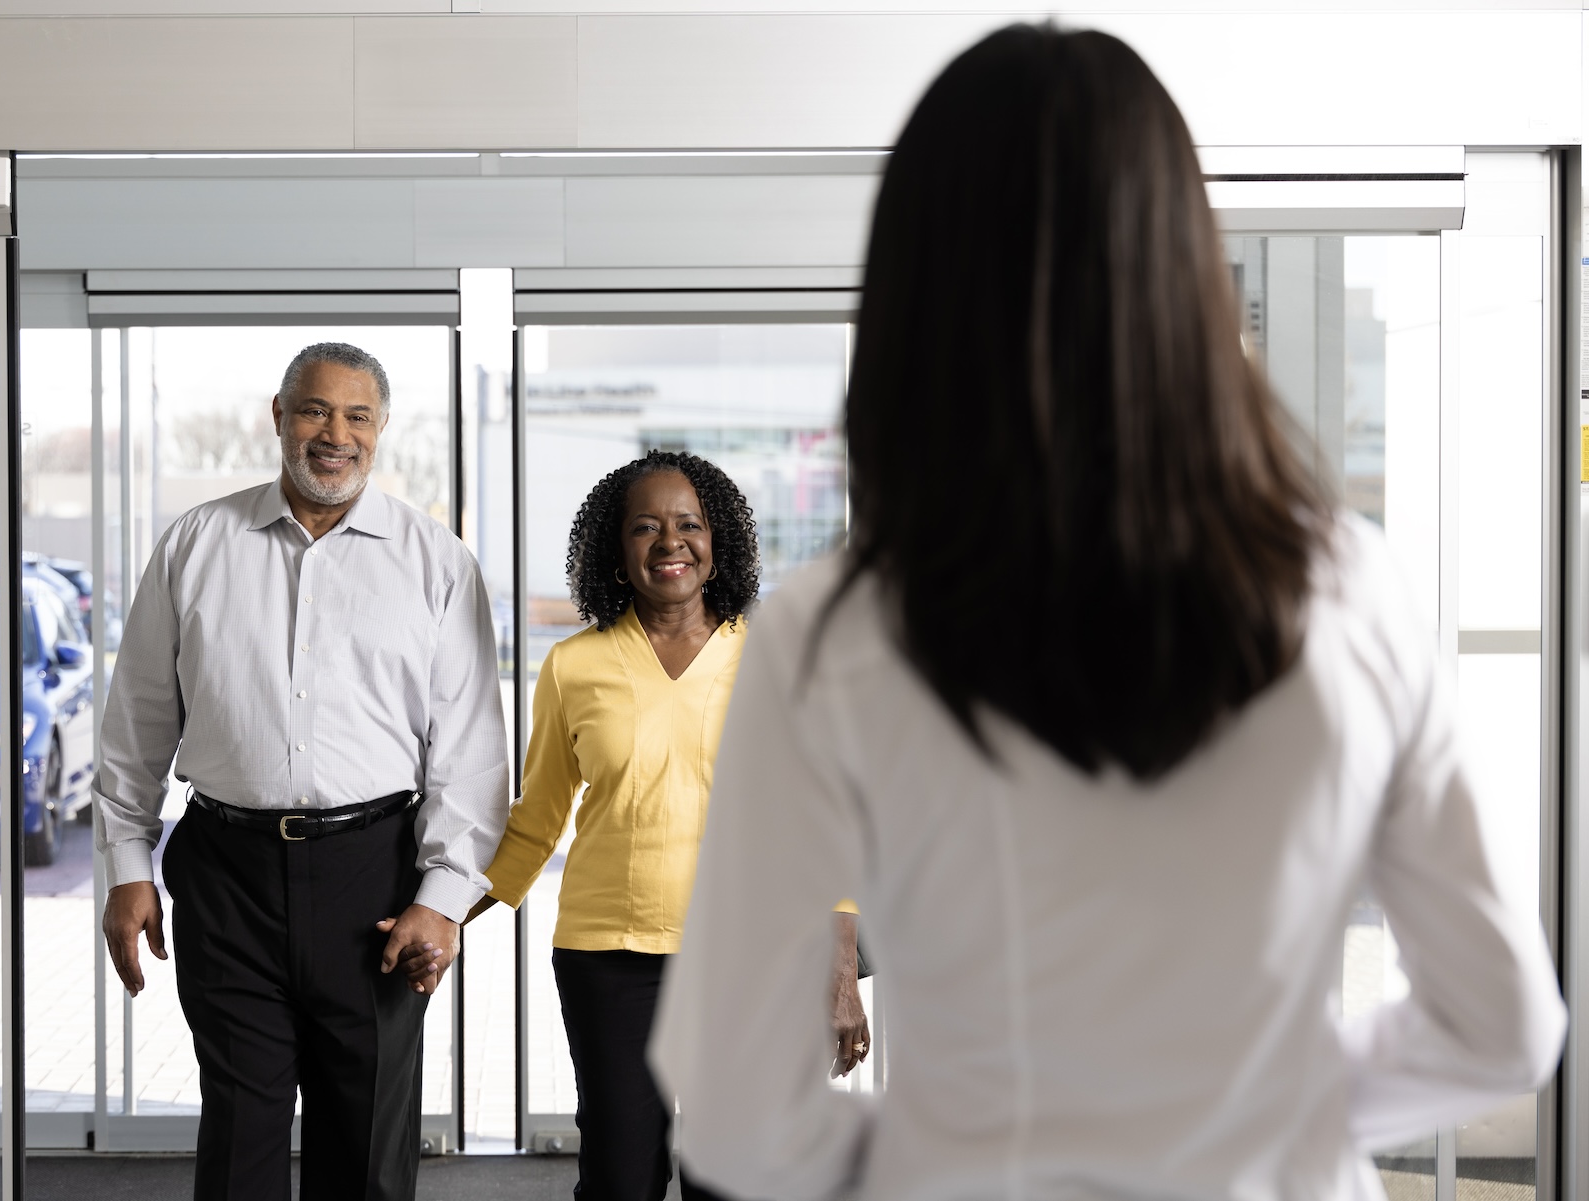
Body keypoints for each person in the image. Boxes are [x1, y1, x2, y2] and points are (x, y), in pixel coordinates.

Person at [651, 25, 1567, 1201]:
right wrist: (1254, 1107)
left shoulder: (832, 632)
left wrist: (962, 1148)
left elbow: (736, 1120)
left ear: (915, 289)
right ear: (1187, 268)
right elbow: (1500, 1026)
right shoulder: (1351, 590)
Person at [94, 342, 508, 1201]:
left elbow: (469, 751)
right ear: (278, 416)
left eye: (358, 415)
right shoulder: (196, 544)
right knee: (240, 1133)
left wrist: (443, 898)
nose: (336, 433)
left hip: (378, 880)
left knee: (363, 1147)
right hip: (226, 875)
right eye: (316, 409)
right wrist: (127, 869)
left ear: (382, 429)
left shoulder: (437, 562)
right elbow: (135, 724)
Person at [465, 450, 867, 1201]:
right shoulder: (574, 668)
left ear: (718, 542)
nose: (669, 542)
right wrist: (444, 912)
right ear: (616, 549)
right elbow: (536, 821)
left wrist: (842, 970)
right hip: (608, 958)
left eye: (688, 524)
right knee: (621, 1178)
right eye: (645, 527)